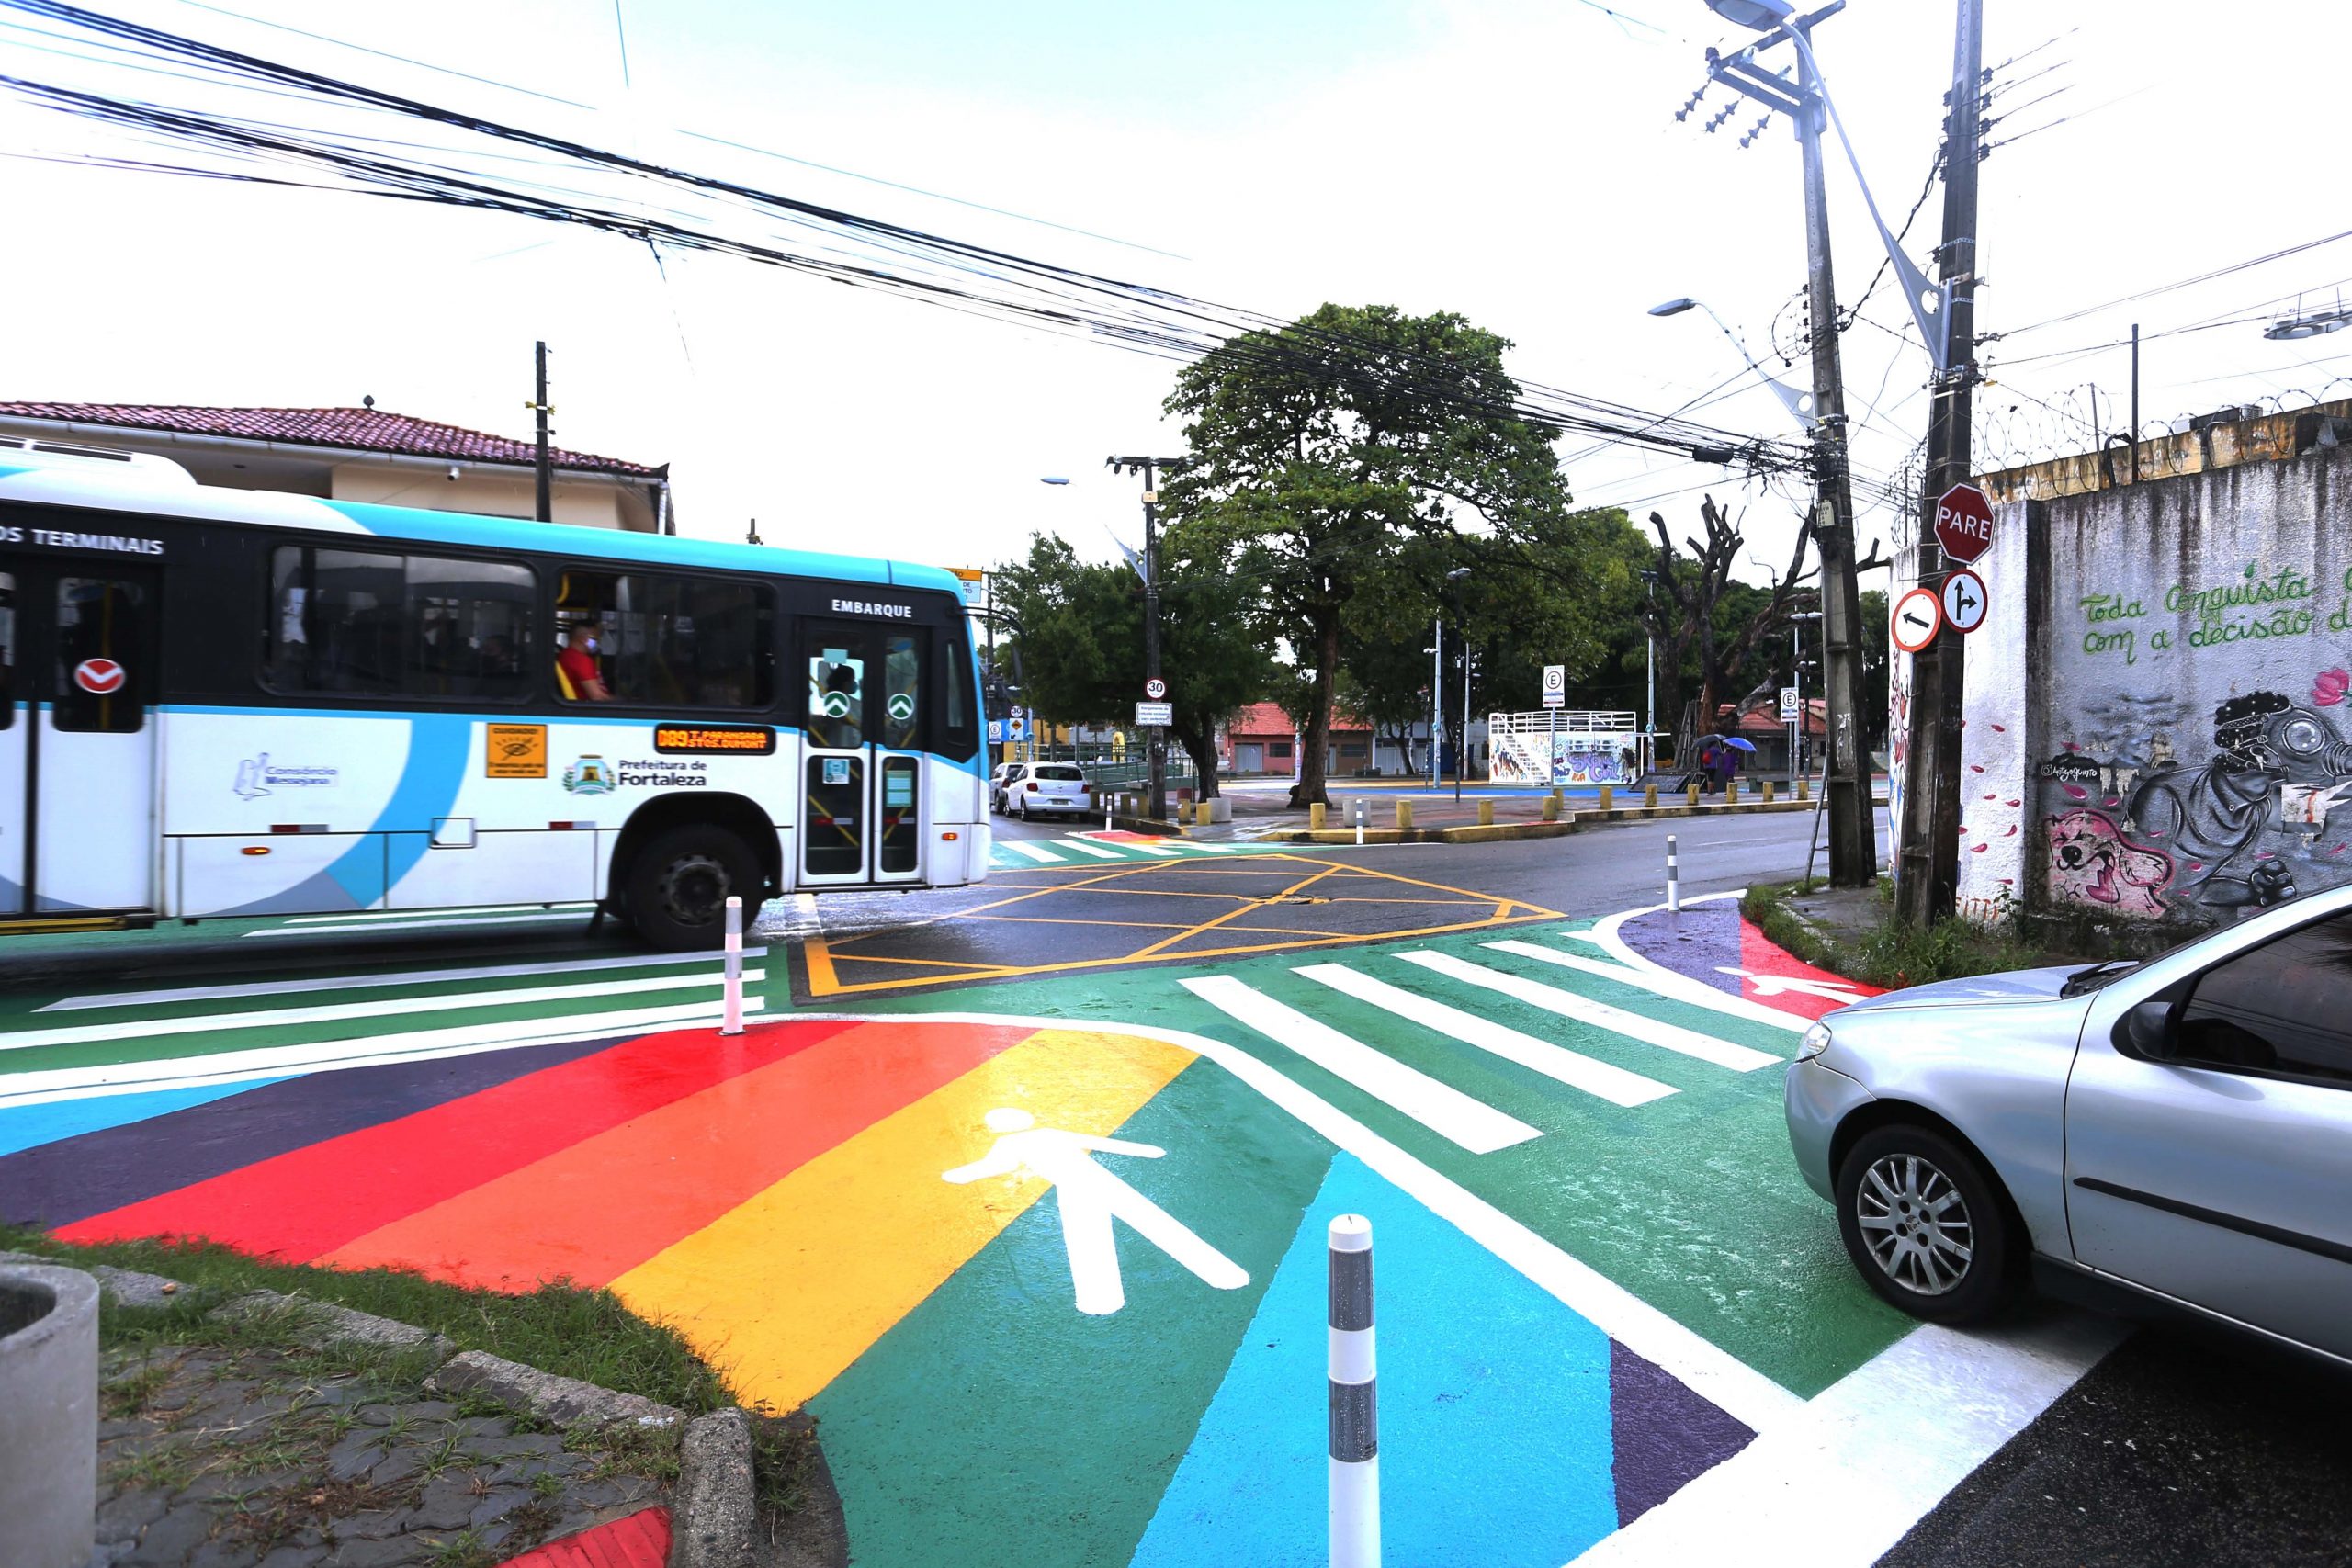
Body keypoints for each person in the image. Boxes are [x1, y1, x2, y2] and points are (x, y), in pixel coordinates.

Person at [556, 624, 611, 701]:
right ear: (584, 639)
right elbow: (597, 697)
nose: (597, 643)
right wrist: (620, 701)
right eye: (595, 639)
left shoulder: (565, 655)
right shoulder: (581, 660)